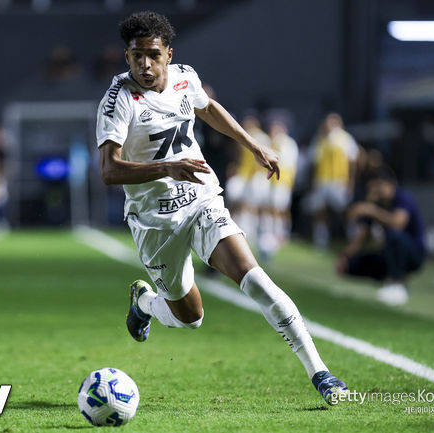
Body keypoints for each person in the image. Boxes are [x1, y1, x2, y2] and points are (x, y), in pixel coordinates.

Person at [96, 11, 348, 404]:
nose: (144, 64)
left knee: (255, 278)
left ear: (168, 54)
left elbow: (208, 107)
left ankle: (321, 373)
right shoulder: (118, 100)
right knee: (190, 318)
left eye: (153, 55)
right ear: (126, 56)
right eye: (136, 56)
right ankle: (145, 302)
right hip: (154, 221)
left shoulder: (184, 77)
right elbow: (109, 171)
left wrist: (253, 145)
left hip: (201, 199)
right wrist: (167, 167)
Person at [336, 166, 426, 306]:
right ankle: (387, 280)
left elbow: (398, 223)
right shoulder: (375, 204)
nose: (374, 192)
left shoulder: (403, 197)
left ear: (389, 184)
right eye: (371, 188)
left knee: (393, 234)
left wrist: (372, 210)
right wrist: (344, 257)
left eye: (378, 186)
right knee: (351, 265)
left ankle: (396, 283)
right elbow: (360, 236)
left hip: (413, 254)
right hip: (388, 253)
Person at [307, 113, 359, 248]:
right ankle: (321, 239)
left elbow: (352, 161)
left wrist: (350, 182)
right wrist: (312, 183)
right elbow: (314, 162)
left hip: (339, 181)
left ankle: (353, 236)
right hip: (322, 181)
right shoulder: (319, 139)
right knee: (320, 211)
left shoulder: (346, 138)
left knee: (344, 210)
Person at [255, 115, 299, 257]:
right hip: (272, 180)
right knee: (271, 207)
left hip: (283, 180)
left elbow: (287, 162)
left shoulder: (288, 143)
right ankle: (272, 233)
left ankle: (282, 233)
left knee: (280, 208)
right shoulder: (272, 142)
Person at [225, 112, 271, 245]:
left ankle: (253, 230)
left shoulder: (262, 137)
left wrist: (258, 173)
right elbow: (238, 155)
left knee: (252, 204)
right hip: (243, 173)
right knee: (236, 200)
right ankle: (236, 226)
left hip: (257, 175)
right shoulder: (242, 136)